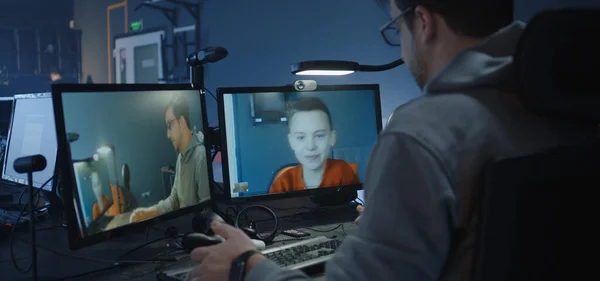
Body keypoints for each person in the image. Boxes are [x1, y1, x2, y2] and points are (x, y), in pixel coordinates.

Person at [185, 0, 596, 280]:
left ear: (423, 21)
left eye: (395, 27)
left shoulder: (422, 133)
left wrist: (245, 265)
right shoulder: (567, 111)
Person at [129, 93, 210, 223]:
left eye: (169, 125)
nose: (168, 135)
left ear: (182, 122)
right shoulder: (180, 158)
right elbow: (174, 200)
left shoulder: (201, 157)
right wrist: (146, 212)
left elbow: (207, 214)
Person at [269, 97, 359, 193]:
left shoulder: (343, 172)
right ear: (291, 142)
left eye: (319, 136)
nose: (311, 146)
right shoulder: (283, 183)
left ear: (332, 138)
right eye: (301, 137)